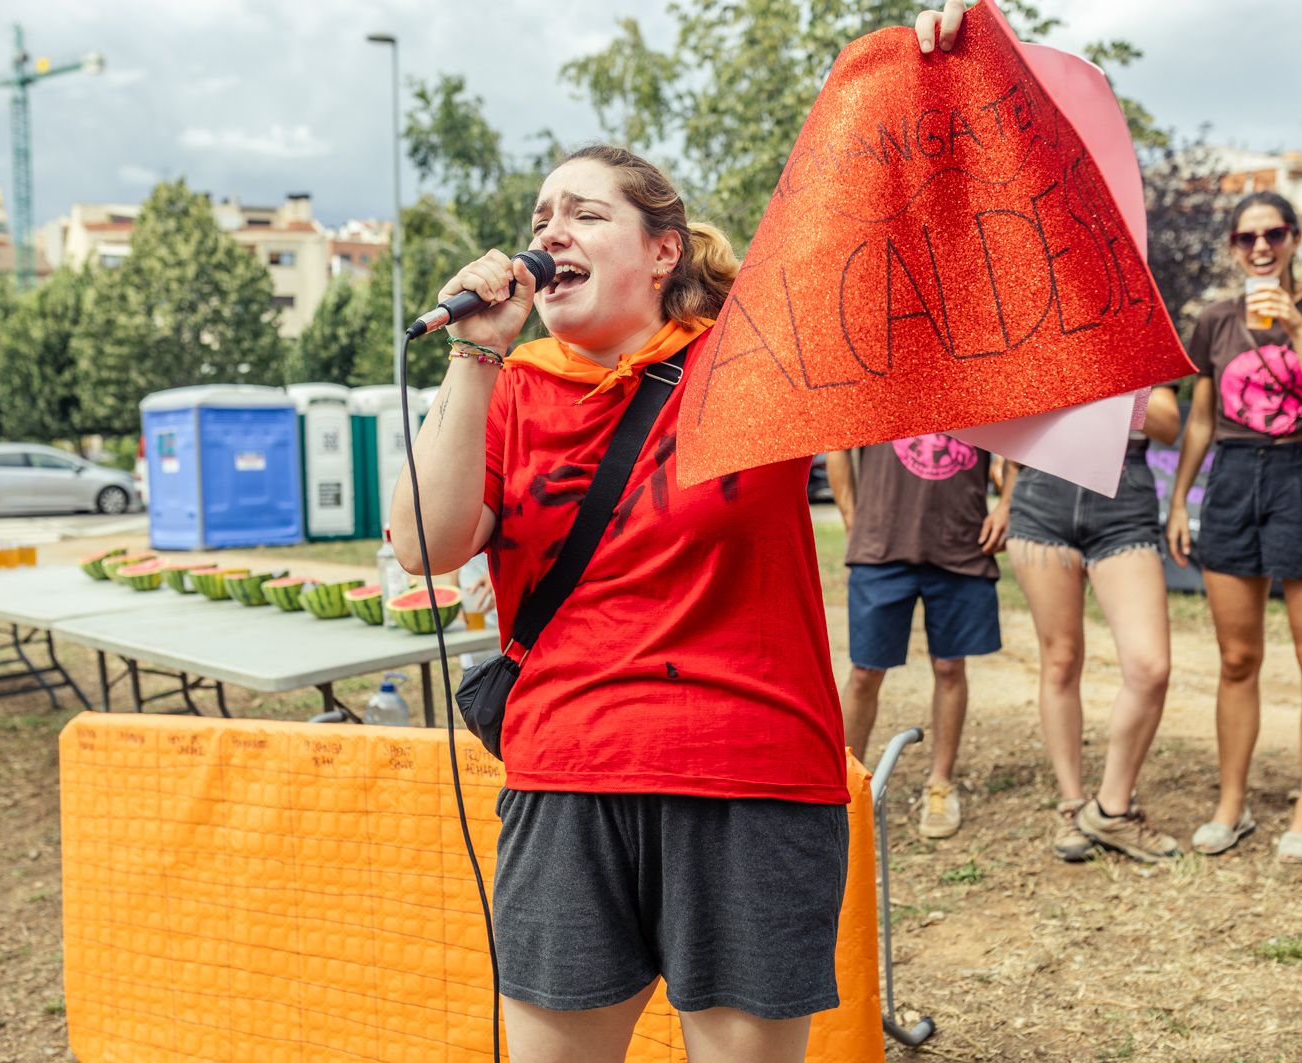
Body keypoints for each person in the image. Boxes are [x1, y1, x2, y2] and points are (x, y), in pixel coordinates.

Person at [390, 8, 972, 1058]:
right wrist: (472, 358)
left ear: (661, 251)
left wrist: (931, 81)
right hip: (566, 777)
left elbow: (902, 248)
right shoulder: (506, 387)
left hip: (749, 782)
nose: (548, 230)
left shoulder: (758, 363)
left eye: (582, 213)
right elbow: (426, 545)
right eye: (539, 213)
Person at [1166, 192, 1302, 864]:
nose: (1259, 247)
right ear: (1231, 245)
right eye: (1246, 236)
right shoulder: (1216, 320)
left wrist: (1297, 323)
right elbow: (1198, 419)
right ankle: (1232, 804)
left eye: (1273, 233)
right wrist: (1178, 500)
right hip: (1234, 478)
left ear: (1295, 238)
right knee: (1237, 658)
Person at [1006, 388, 1183, 864]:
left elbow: (1167, 422)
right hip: (1043, 500)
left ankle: (1111, 807)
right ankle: (1071, 804)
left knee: (1150, 667)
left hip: (1124, 508)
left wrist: (1100, 384)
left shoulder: (1135, 325)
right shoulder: (1038, 329)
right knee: (1060, 661)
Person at [829, 440, 1009, 838]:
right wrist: (852, 518)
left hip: (961, 543)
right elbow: (837, 446)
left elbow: (1022, 440)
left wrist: (1007, 504)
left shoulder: (979, 381)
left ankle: (940, 784)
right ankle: (838, 788)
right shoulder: (877, 379)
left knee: (949, 666)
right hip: (881, 546)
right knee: (864, 673)